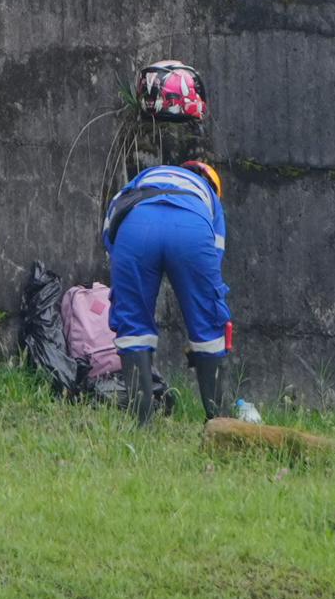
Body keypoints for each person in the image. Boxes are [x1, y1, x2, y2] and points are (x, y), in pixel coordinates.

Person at [103, 154, 257, 426]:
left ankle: (142, 425)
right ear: (212, 184)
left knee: (132, 327)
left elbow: (111, 230)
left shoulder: (144, 178)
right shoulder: (207, 196)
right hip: (191, 228)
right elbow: (213, 263)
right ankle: (219, 423)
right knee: (209, 327)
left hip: (135, 225)